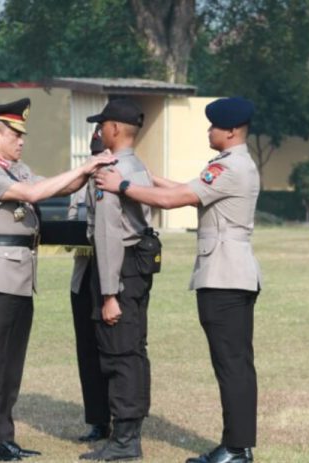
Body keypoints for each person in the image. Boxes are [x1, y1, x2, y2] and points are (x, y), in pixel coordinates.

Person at [95, 96, 261, 463]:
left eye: (214, 126)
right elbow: (180, 190)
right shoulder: (231, 165)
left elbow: (175, 200)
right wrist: (144, 176)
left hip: (225, 277)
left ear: (231, 131)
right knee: (234, 362)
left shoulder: (229, 168)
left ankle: (236, 448)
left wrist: (122, 186)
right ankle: (237, 445)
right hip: (231, 273)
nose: (209, 130)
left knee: (231, 364)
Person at [0, 97, 115, 461]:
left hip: (18, 276)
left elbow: (56, 187)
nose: (21, 141)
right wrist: (90, 163)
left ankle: (3, 436)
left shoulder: (18, 169)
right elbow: (34, 194)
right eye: (15, 134)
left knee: (11, 363)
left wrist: (89, 169)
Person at [79, 99, 156, 462]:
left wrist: (109, 293)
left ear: (112, 129)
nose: (99, 131)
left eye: (102, 125)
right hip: (138, 269)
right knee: (134, 350)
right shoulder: (137, 168)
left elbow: (108, 235)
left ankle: (125, 441)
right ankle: (130, 432)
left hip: (120, 270)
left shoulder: (109, 173)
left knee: (118, 352)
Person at [68, 125, 112, 443]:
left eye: (104, 155)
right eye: (95, 155)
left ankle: (123, 418)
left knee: (114, 349)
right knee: (88, 350)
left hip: (113, 279)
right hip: (84, 275)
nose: (99, 161)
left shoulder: (123, 182)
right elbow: (72, 229)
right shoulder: (78, 185)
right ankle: (98, 420)